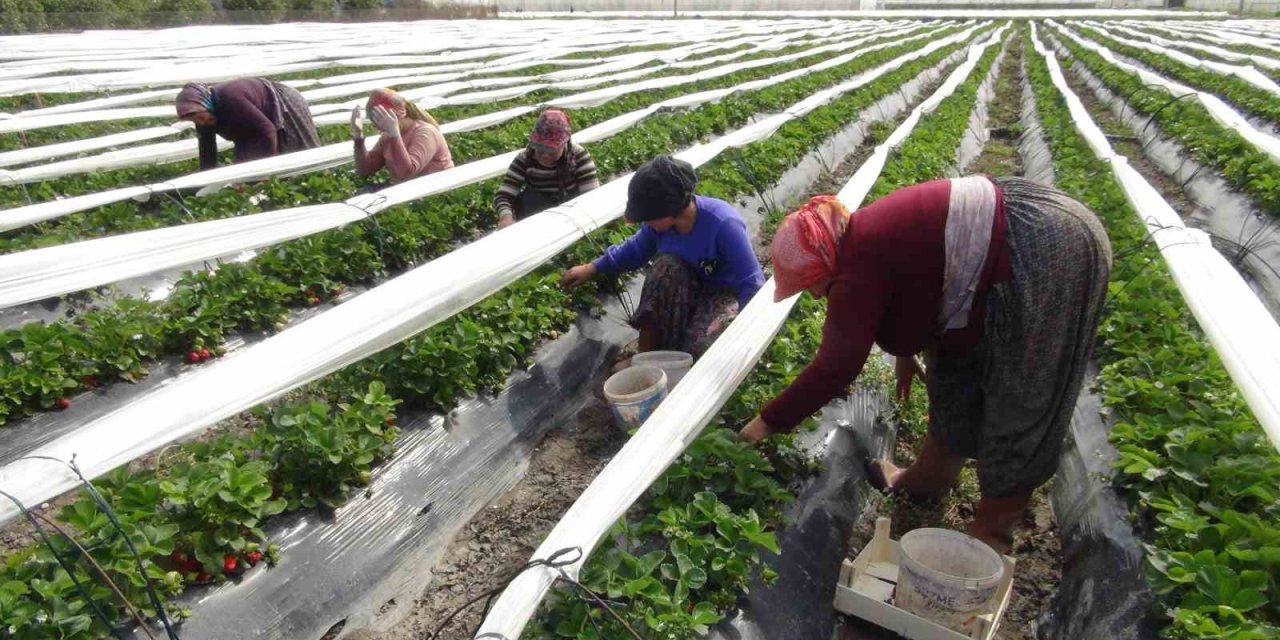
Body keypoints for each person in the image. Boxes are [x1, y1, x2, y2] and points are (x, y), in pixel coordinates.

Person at [737, 177, 1112, 554]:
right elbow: (916, 285)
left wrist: (763, 424)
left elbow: (836, 366)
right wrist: (904, 355)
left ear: (823, 263)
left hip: (1046, 247)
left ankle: (990, 535)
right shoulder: (860, 237)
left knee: (1026, 389)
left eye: (811, 284)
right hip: (1022, 227)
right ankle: (925, 482)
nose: (816, 294)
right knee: (953, 366)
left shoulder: (856, 262)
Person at [561, 155, 765, 358]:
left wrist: (746, 332)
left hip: (724, 295)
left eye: (648, 218)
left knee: (701, 347)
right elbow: (635, 249)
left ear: (670, 211)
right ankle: (646, 357)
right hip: (689, 291)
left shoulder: (722, 223)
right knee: (665, 266)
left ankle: (679, 358)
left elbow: (752, 283)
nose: (645, 223)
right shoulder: (659, 227)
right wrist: (592, 267)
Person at [176, 78, 320, 171]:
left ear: (206, 104)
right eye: (196, 121)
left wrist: (265, 170)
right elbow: (207, 148)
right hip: (252, 115)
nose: (201, 123)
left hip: (284, 100)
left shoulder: (232, 99)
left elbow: (268, 130)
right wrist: (206, 179)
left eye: (201, 117)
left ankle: (314, 174)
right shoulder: (202, 112)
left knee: (297, 147)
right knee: (246, 162)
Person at [494, 109, 599, 229]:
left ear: (564, 143)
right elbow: (504, 195)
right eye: (540, 148)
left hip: (572, 213)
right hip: (536, 211)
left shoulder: (579, 156)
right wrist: (506, 217)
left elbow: (591, 197)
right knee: (529, 199)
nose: (545, 155)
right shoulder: (525, 158)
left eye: (551, 150)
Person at [349, 88, 453, 185]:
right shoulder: (387, 136)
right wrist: (358, 136)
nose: (376, 126)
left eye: (379, 119)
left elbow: (407, 173)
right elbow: (365, 170)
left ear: (394, 115)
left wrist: (394, 134)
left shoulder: (425, 132)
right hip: (404, 192)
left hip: (434, 190)